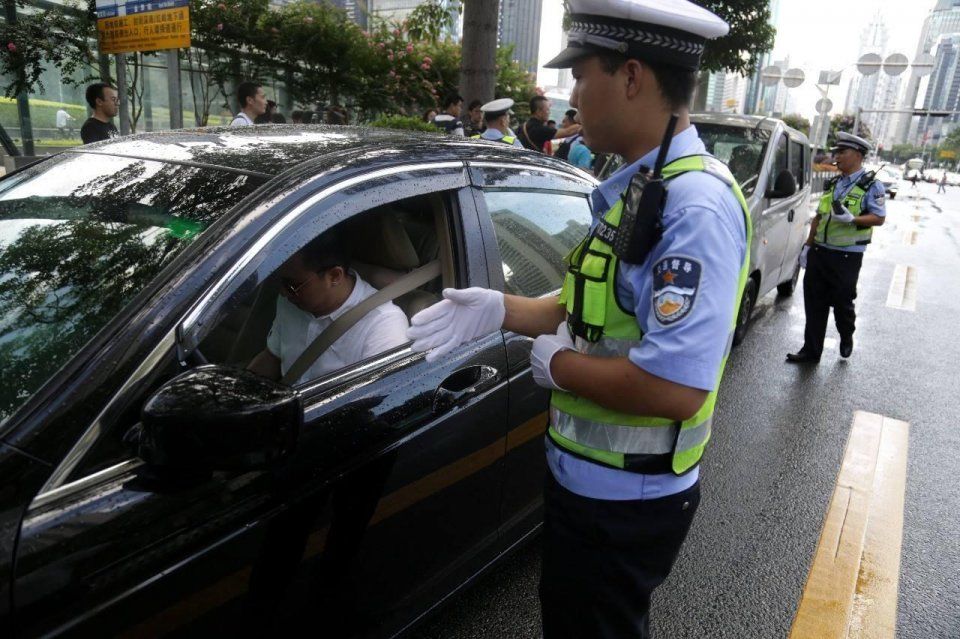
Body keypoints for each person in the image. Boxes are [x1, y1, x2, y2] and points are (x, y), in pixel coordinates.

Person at [407, 1, 747, 636]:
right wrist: (501, 309)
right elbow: (583, 307)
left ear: (631, 77)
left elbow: (677, 388)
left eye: (580, 74)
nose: (571, 92)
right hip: (586, 484)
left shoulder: (692, 208)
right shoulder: (641, 187)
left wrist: (560, 368)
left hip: (628, 500)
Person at [248, 230, 409, 385]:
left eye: (292, 285)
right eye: (280, 282)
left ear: (334, 276)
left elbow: (377, 399)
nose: (283, 293)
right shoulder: (292, 301)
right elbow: (273, 356)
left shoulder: (383, 324)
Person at [787, 132, 886, 364]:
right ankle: (811, 351)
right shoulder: (833, 182)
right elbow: (819, 217)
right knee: (814, 302)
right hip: (820, 253)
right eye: (836, 152)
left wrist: (853, 219)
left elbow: (878, 217)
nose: (837, 156)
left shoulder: (871, 185)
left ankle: (846, 334)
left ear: (858, 156)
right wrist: (807, 247)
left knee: (842, 303)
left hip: (847, 256)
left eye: (842, 152)